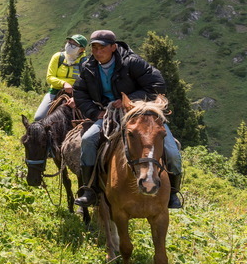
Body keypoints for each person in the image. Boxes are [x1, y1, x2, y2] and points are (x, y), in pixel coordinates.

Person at [73, 30, 183, 209]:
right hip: (108, 114)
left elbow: (157, 85)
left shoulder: (132, 62)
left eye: (102, 47)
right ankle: (90, 190)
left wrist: (131, 100)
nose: (97, 51)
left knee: (172, 151)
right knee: (88, 140)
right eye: (94, 47)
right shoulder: (88, 67)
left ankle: (172, 193)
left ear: (113, 47)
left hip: (140, 113)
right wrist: (94, 113)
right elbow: (80, 92)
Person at [33, 34, 88, 121]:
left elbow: (86, 82)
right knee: (39, 117)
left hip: (76, 94)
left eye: (74, 44)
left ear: (82, 49)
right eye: (69, 42)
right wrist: (63, 83)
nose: (70, 45)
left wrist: (77, 95)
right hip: (55, 91)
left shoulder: (85, 62)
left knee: (87, 120)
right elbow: (50, 77)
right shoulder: (58, 57)